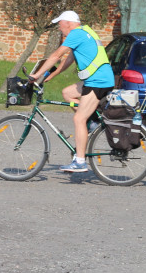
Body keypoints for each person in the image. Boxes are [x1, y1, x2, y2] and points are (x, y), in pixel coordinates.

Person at [29, 10, 115, 173]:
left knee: (78, 119)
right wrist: (52, 75)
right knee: (68, 93)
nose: (60, 29)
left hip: (98, 81)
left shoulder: (75, 34)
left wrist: (37, 75)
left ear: (67, 23)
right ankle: (93, 123)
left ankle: (80, 161)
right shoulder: (84, 31)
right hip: (99, 79)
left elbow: (56, 55)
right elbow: (68, 59)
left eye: (60, 25)